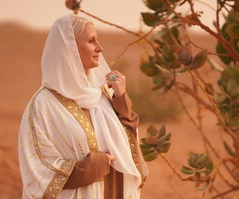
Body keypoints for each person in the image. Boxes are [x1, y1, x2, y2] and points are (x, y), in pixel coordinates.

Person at [18, 14, 148, 199]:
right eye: (91, 41)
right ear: (69, 48)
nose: (99, 48)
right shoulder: (42, 106)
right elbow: (38, 168)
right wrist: (93, 167)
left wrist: (121, 100)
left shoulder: (101, 96)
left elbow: (128, 147)